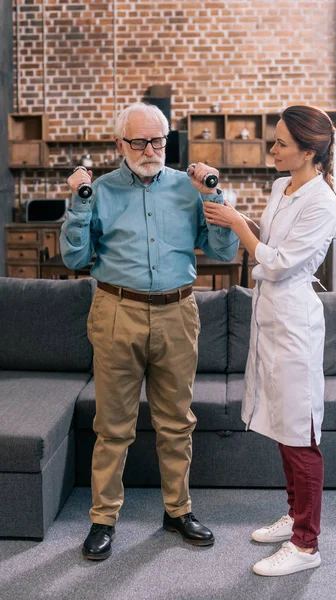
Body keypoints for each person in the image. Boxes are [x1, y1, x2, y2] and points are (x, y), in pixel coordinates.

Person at [60, 102, 239, 560]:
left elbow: (223, 249)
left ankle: (177, 510)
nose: (150, 150)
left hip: (178, 313)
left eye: (157, 141)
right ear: (120, 144)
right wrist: (77, 203)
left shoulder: (187, 188)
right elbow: (76, 260)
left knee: (177, 422)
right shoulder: (97, 191)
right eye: (138, 142)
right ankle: (103, 519)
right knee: (113, 426)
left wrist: (215, 197)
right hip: (117, 312)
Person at [203, 105, 336, 577]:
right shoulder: (284, 185)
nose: (273, 149)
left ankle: (307, 544)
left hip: (295, 322)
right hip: (271, 318)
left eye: (281, 143)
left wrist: (238, 225)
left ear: (308, 150)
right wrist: (240, 219)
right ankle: (294, 515)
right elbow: (271, 241)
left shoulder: (322, 201)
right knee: (284, 427)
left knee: (302, 433)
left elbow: (280, 263)